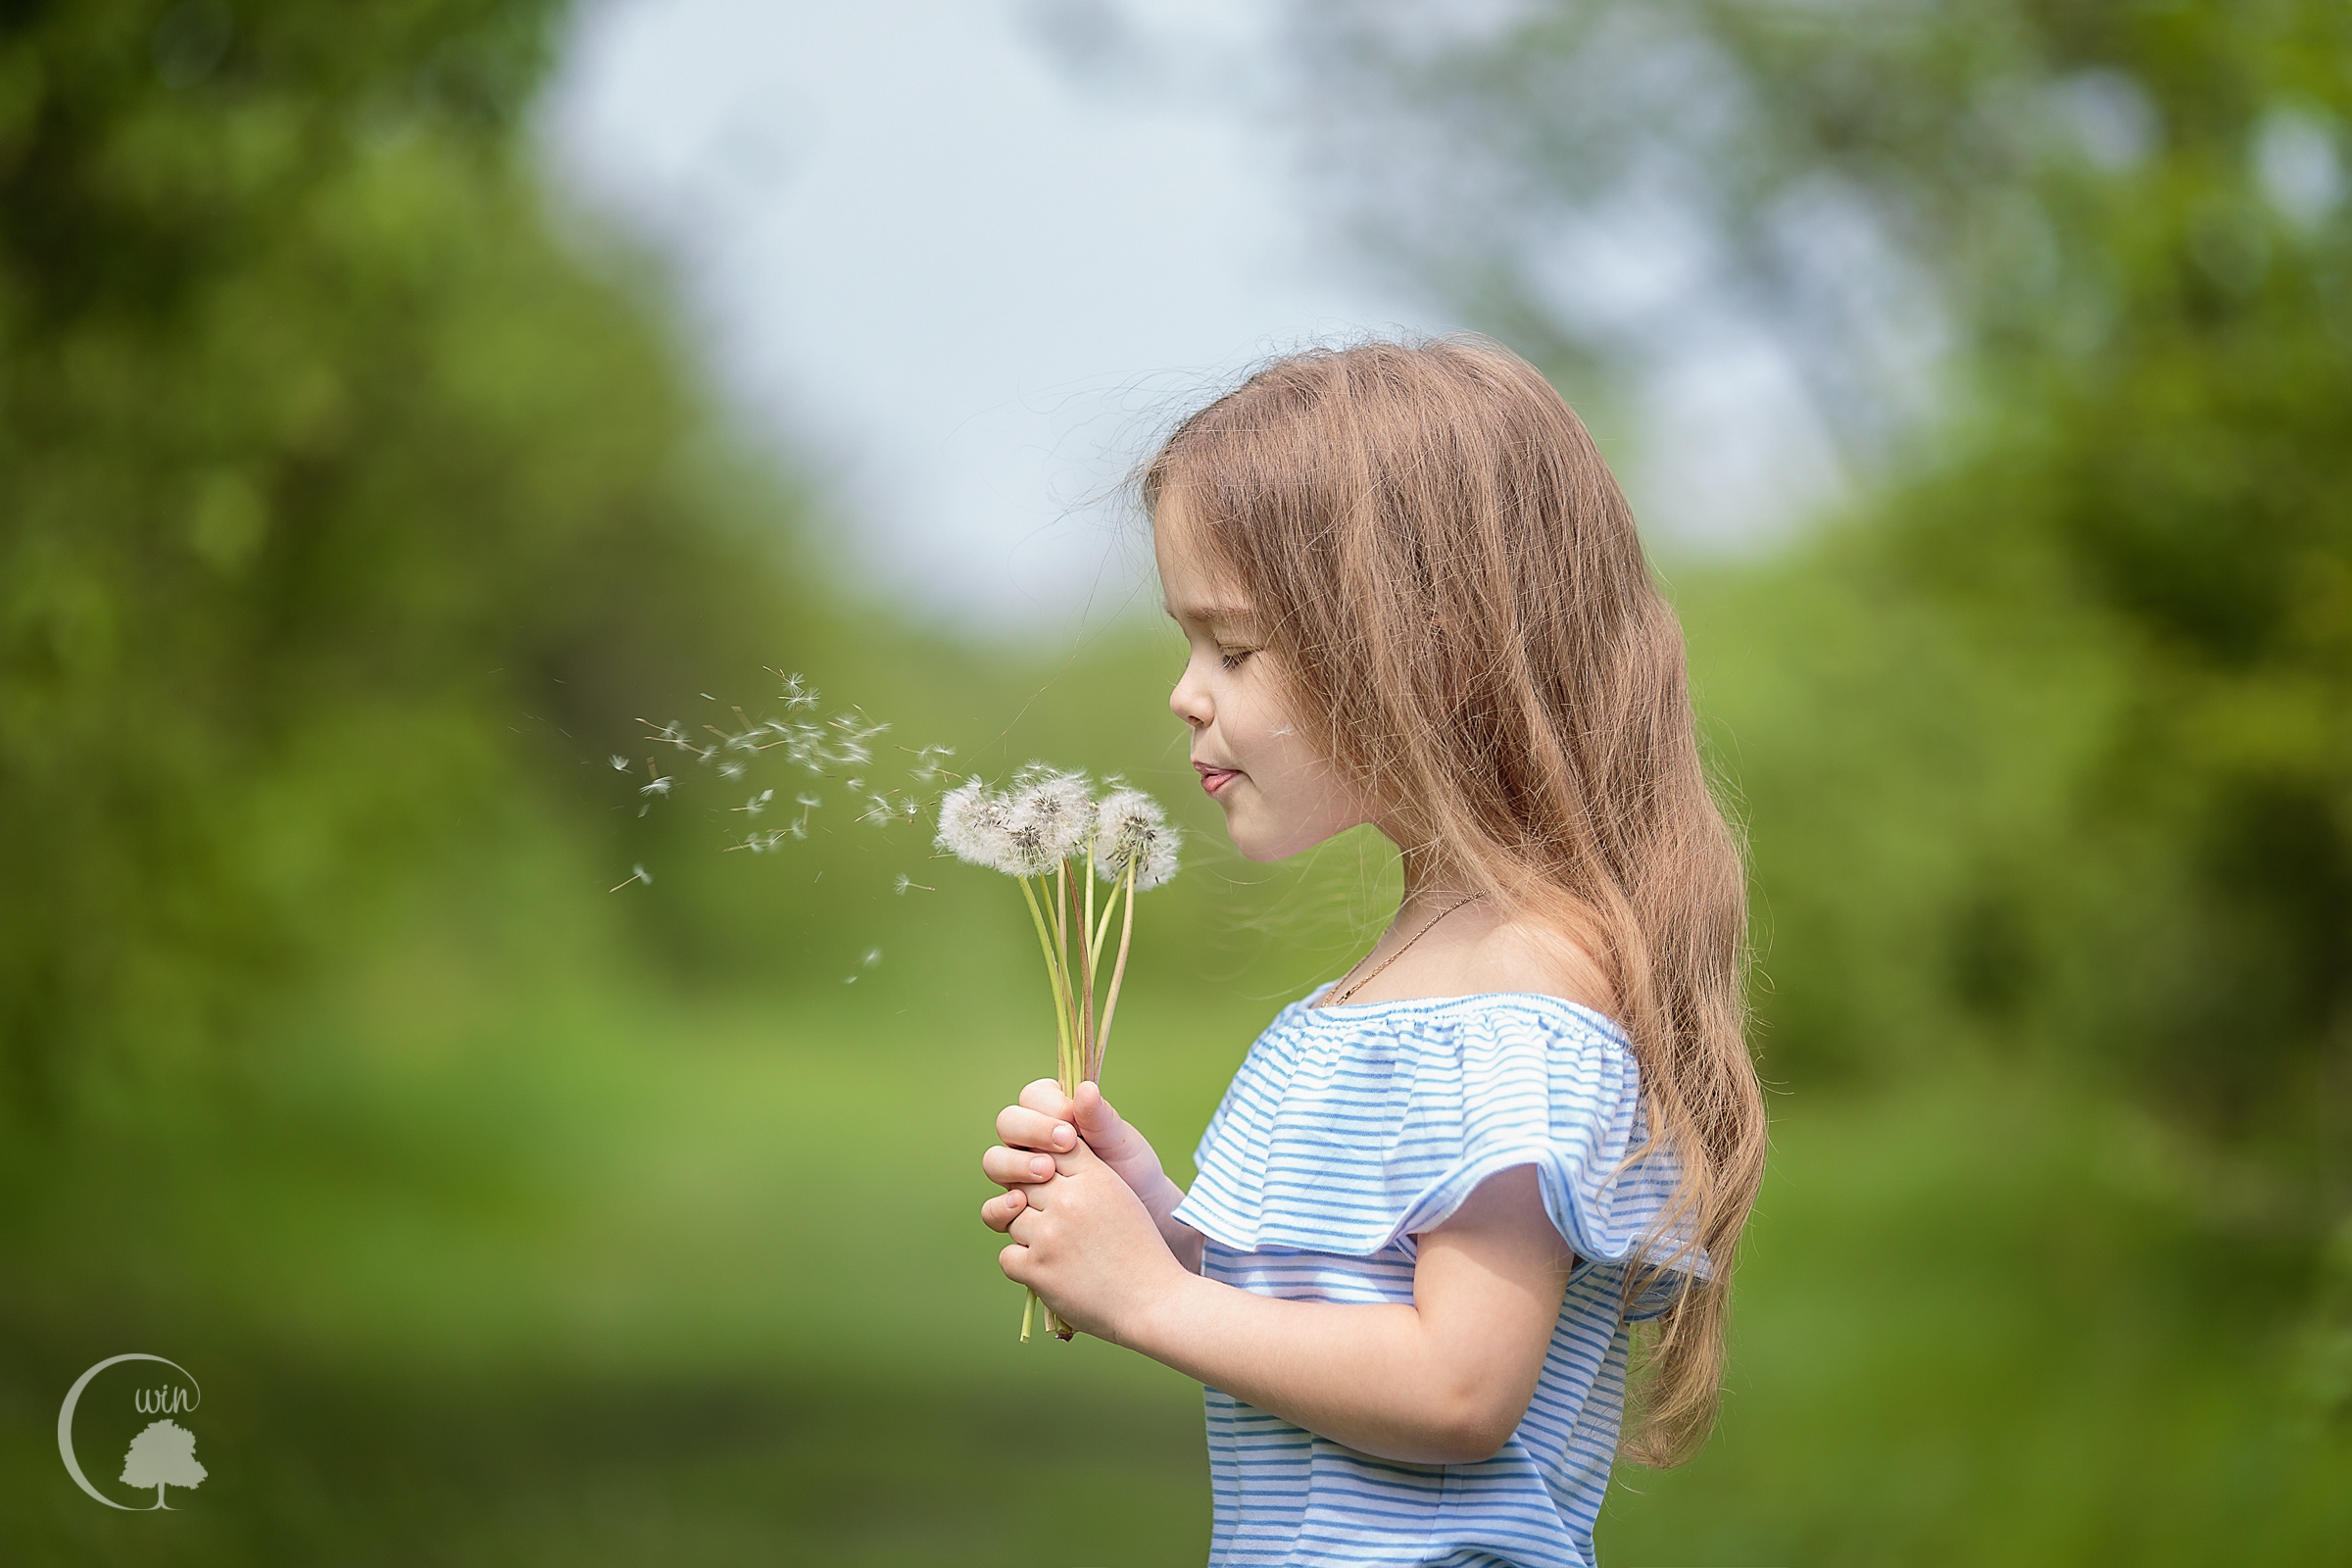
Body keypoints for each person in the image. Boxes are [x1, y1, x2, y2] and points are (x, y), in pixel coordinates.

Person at [978, 337, 1766, 1567]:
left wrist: (1153, 1299)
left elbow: (1458, 1387)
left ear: (1433, 655)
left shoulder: (1524, 991)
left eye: (1233, 649)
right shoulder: (1422, 975)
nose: (1188, 693)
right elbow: (1356, 1311)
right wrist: (1161, 1226)